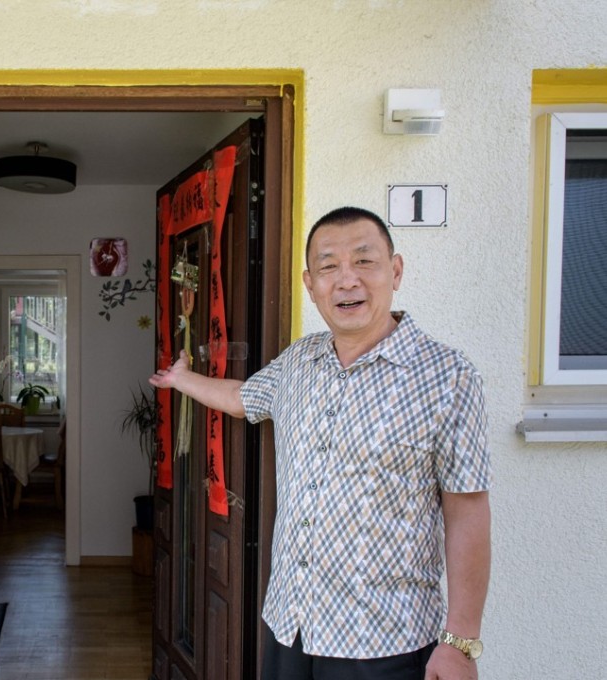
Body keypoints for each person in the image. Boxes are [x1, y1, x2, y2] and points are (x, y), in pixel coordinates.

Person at [150, 207, 491, 680]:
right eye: (329, 267)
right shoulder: (299, 362)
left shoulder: (448, 378)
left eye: (364, 261)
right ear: (311, 285)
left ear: (395, 271)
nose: (346, 280)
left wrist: (460, 642)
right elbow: (241, 398)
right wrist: (184, 380)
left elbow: (467, 512)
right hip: (291, 626)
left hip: (382, 643)